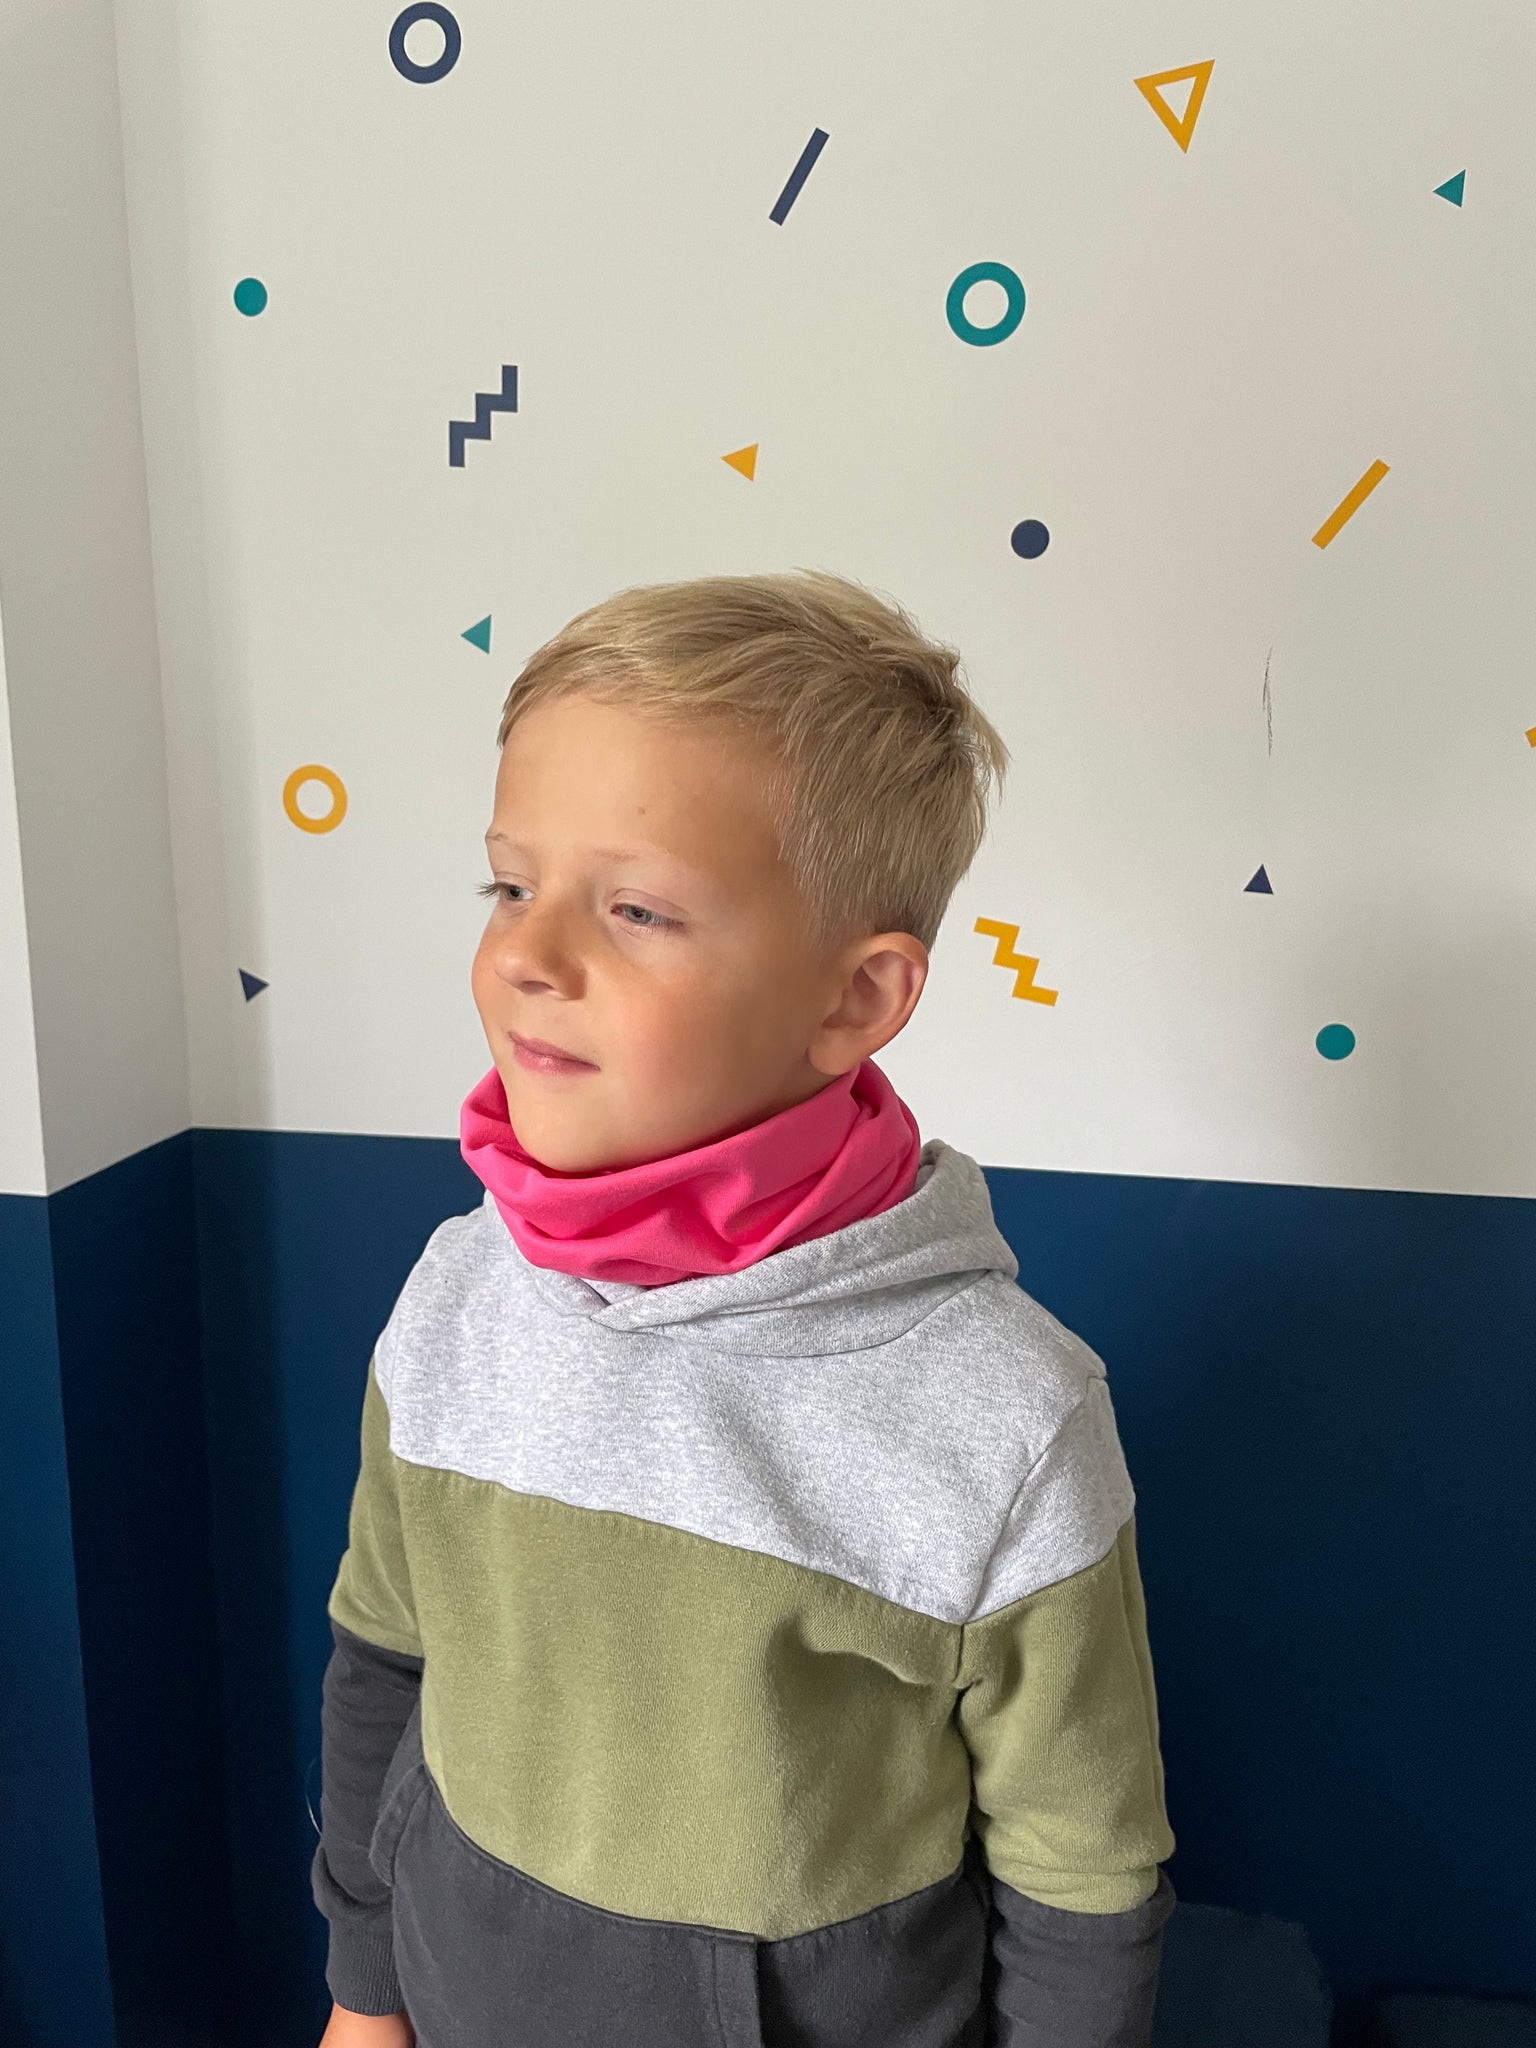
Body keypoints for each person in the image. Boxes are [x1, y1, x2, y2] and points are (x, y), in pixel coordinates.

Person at [311, 569, 1176, 2048]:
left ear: (855, 1002)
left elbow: (1081, 1873)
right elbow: (384, 1656)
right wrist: (364, 1991)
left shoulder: (1007, 1417)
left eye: (636, 908)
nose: (526, 955)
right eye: (509, 885)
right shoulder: (456, 1291)